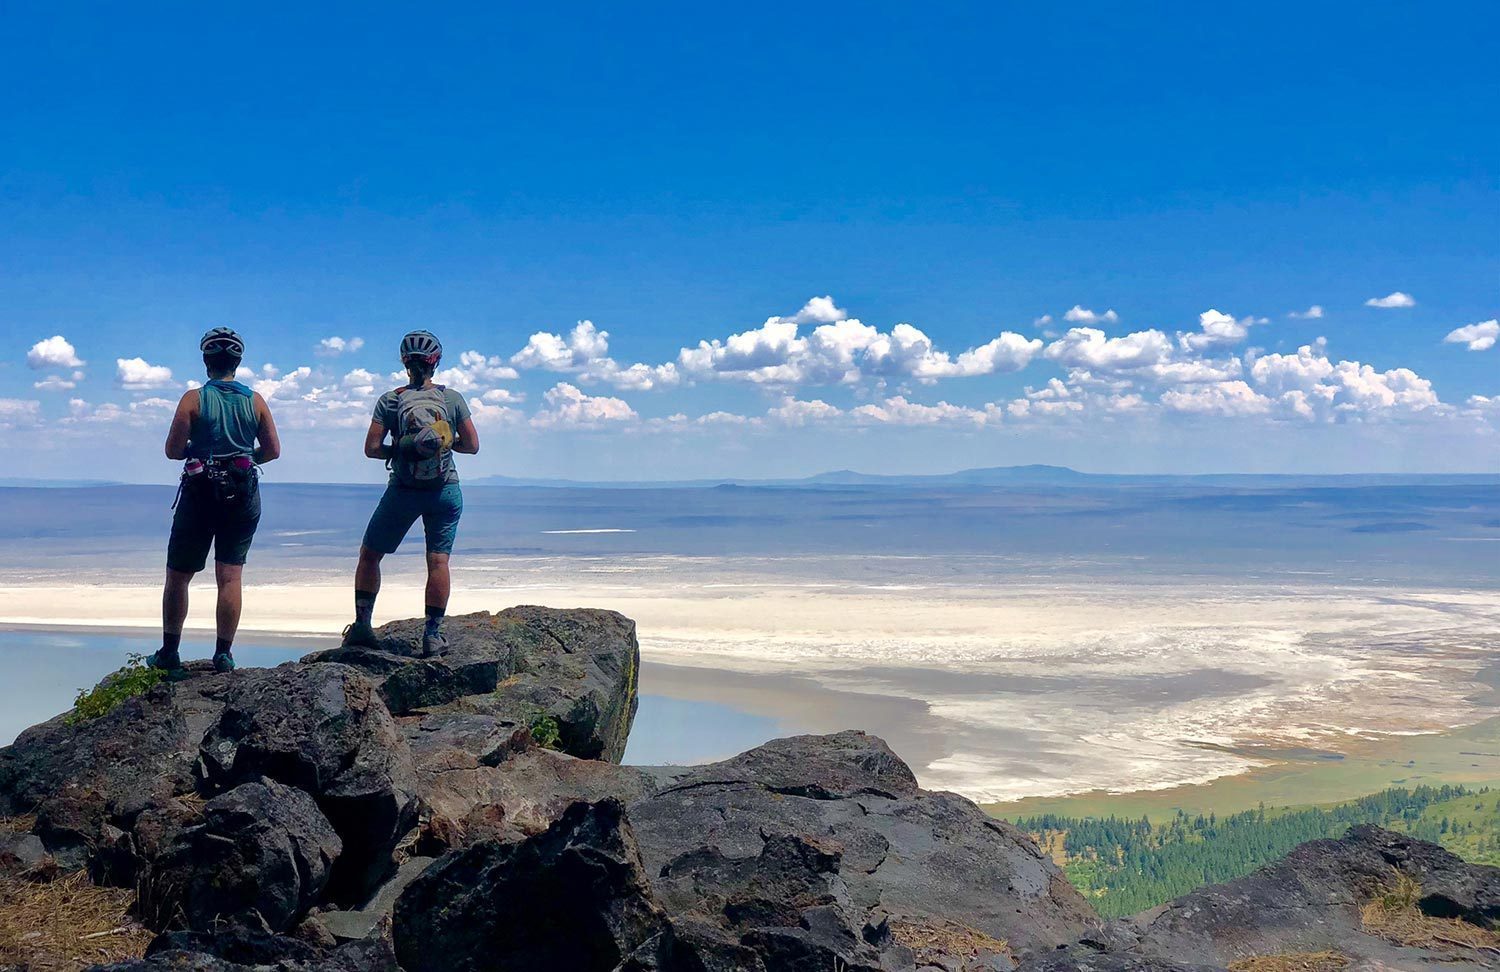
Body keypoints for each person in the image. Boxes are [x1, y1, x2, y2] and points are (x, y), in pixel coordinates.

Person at [148, 327, 281, 675]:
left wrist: (198, 451)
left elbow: (172, 450)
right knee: (230, 576)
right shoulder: (255, 401)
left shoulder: (193, 399)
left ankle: (169, 653)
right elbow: (272, 451)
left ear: (206, 361)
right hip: (243, 494)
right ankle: (223, 655)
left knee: (178, 576)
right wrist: (245, 459)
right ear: (237, 362)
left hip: (200, 494)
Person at [342, 330, 479, 656]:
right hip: (445, 490)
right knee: (438, 561)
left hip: (403, 490)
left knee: (370, 555)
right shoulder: (451, 399)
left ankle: (362, 625)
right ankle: (432, 636)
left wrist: (402, 449)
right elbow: (472, 446)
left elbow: (372, 449)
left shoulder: (391, 400)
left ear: (405, 362)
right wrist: (445, 443)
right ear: (436, 363)